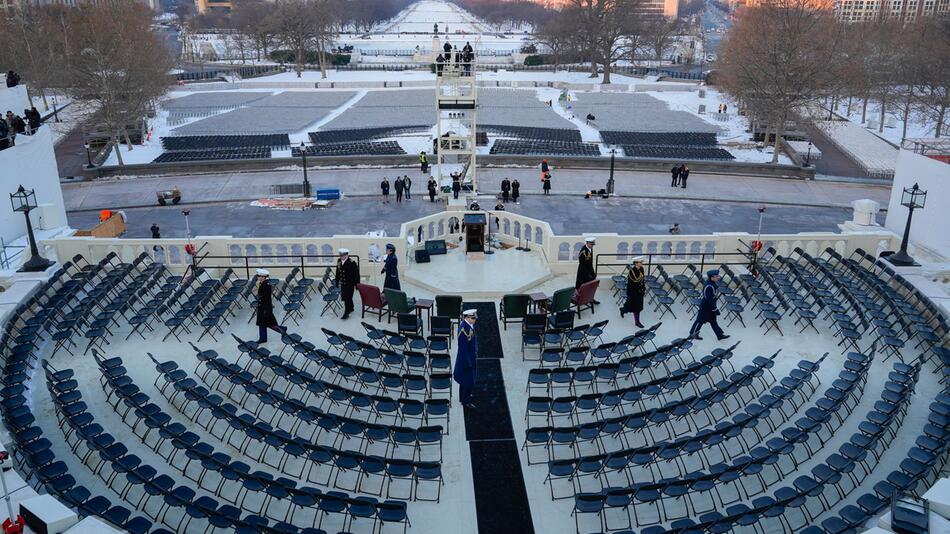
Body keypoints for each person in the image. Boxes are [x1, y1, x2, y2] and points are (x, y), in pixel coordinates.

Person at [688, 269, 731, 341]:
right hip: (706, 307)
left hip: (710, 307)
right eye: (716, 276)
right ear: (712, 277)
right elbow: (709, 300)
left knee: (713, 321)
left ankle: (719, 335)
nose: (718, 277)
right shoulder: (709, 287)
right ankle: (693, 334)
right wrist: (715, 309)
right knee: (699, 321)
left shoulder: (712, 283)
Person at [453, 309, 478, 408]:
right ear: (467, 318)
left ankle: (462, 397)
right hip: (466, 359)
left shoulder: (469, 325)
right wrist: (468, 362)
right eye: (473, 318)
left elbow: (472, 339)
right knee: (468, 380)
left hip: (471, 356)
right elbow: (463, 349)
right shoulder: (464, 329)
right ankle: (466, 401)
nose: (474, 320)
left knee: (465, 380)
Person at [255, 269, 287, 343]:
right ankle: (263, 338)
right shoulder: (262, 283)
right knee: (262, 323)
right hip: (262, 307)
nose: (258, 277)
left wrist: (265, 310)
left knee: (270, 324)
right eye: (257, 275)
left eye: (259, 276)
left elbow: (266, 299)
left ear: (263, 277)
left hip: (265, 308)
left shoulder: (266, 285)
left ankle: (282, 329)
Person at [620, 257, 646, 328]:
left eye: (641, 262)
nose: (641, 263)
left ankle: (636, 321)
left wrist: (643, 289)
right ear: (636, 263)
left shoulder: (641, 269)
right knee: (632, 307)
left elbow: (642, 280)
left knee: (638, 307)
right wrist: (630, 294)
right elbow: (632, 284)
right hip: (633, 292)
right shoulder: (632, 272)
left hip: (640, 291)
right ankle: (636, 321)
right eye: (640, 262)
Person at [335, 248, 360, 320]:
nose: (341, 257)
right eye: (340, 255)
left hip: (350, 284)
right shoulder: (339, 261)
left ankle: (346, 313)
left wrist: (357, 285)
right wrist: (337, 281)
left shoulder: (352, 263)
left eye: (342, 255)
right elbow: (338, 272)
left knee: (347, 298)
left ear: (346, 255)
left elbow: (356, 275)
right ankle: (351, 307)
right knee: (346, 297)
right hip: (343, 283)